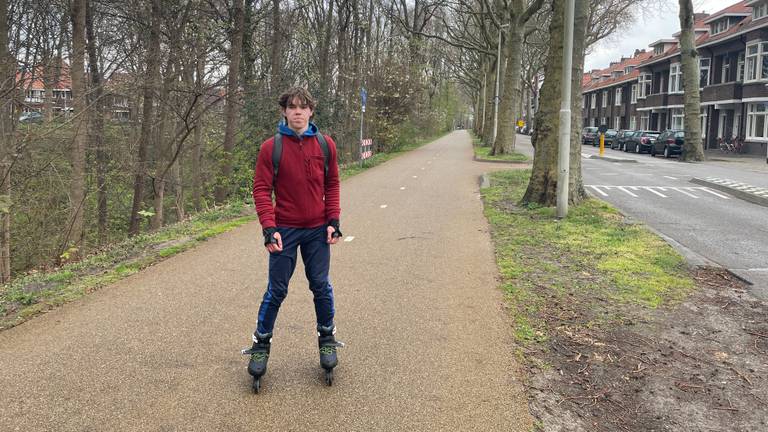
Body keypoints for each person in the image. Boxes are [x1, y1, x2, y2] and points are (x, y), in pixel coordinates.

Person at [244, 87, 343, 391]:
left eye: (303, 107)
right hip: (284, 229)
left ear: (311, 111)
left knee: (321, 286)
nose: (298, 112)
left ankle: (326, 338)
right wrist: (268, 227)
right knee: (277, 290)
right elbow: (261, 190)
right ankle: (261, 344)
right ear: (284, 112)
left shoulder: (325, 146)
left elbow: (333, 183)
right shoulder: (270, 148)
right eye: (292, 107)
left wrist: (333, 221)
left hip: (316, 230)